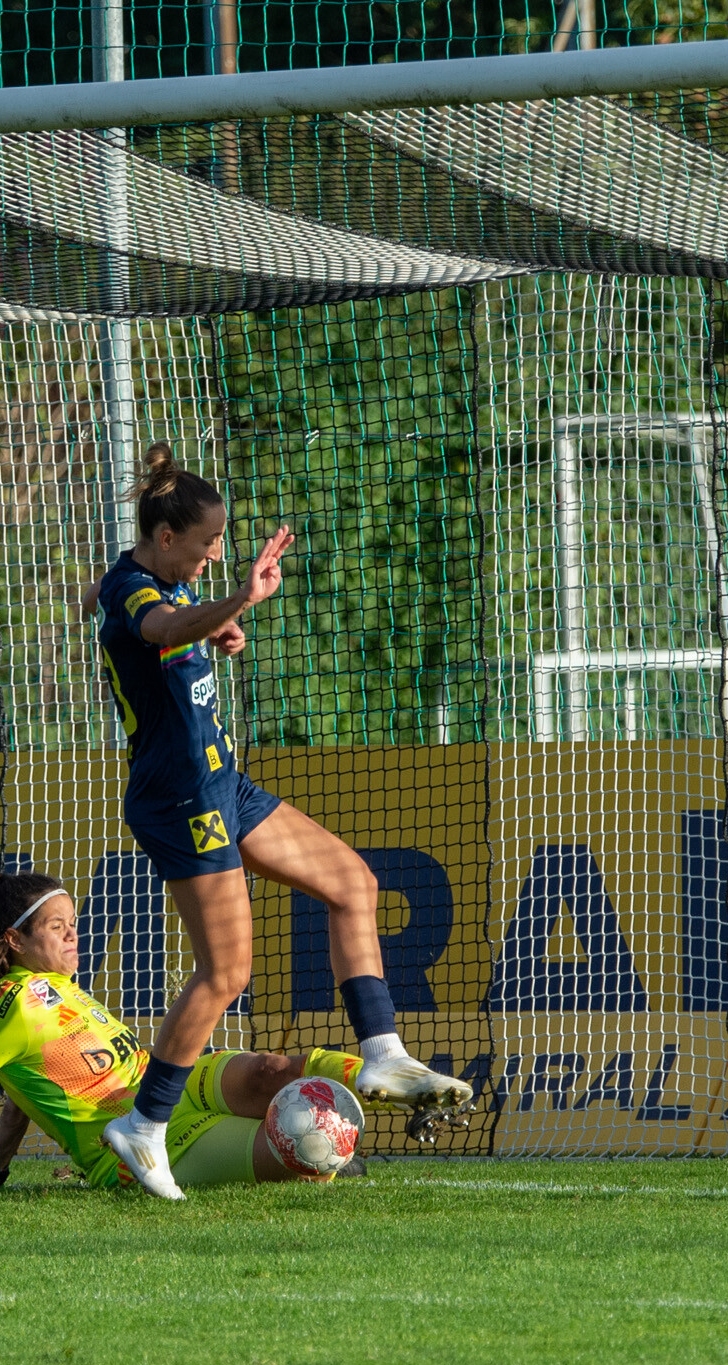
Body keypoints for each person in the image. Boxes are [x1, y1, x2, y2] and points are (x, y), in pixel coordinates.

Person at [79, 442, 471, 1200]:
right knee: (226, 973)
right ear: (167, 537)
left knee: (353, 883)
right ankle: (144, 1124)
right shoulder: (136, 589)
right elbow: (155, 627)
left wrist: (215, 622)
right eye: (206, 543)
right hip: (181, 801)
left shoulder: (164, 581)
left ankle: (383, 1053)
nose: (214, 555)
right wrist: (235, 604)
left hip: (223, 782)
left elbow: (159, 620)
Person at [0, 847, 368, 1196]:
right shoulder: (4, 1004)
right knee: (296, 1147)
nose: (73, 934)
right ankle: (326, 1160)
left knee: (271, 1070)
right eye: (56, 927)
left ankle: (396, 1083)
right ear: (15, 940)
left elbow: (20, 1104)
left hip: (168, 1090)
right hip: (138, 1148)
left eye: (72, 922)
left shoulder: (63, 986)